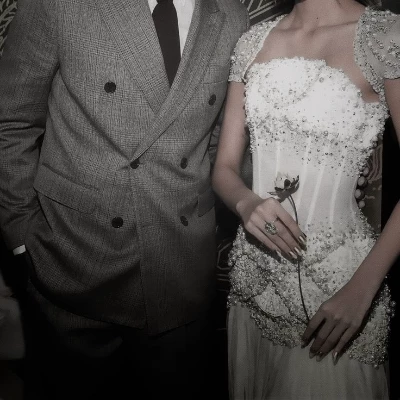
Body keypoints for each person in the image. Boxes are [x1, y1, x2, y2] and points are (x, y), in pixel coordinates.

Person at [0, 0, 249, 399]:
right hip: (72, 259)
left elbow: (223, 146)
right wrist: (20, 234)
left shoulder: (231, 14)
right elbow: (11, 120)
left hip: (181, 266)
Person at [212, 0, 400, 398]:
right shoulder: (252, 41)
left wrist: (361, 291)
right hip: (253, 283)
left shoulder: (385, 35)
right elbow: (224, 168)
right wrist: (246, 204)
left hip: (340, 292)